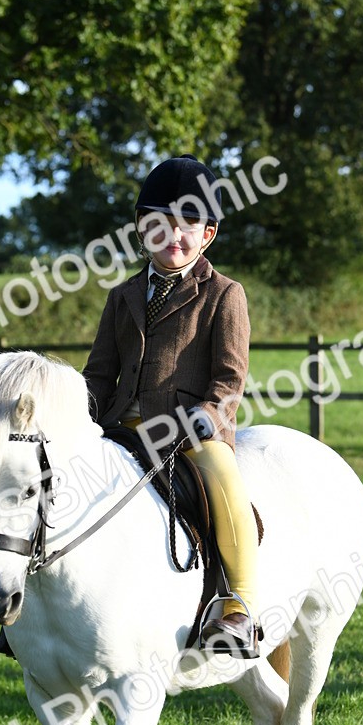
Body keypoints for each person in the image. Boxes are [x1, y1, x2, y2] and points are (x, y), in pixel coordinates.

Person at [81, 154, 260, 657]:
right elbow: (99, 374)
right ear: (141, 228)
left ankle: (239, 606)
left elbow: (230, 378)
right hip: (120, 424)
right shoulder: (122, 295)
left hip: (191, 430)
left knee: (224, 482)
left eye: (186, 226)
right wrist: (75, 411)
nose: (173, 237)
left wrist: (208, 416)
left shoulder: (224, 294)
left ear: (208, 234)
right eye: (159, 225)